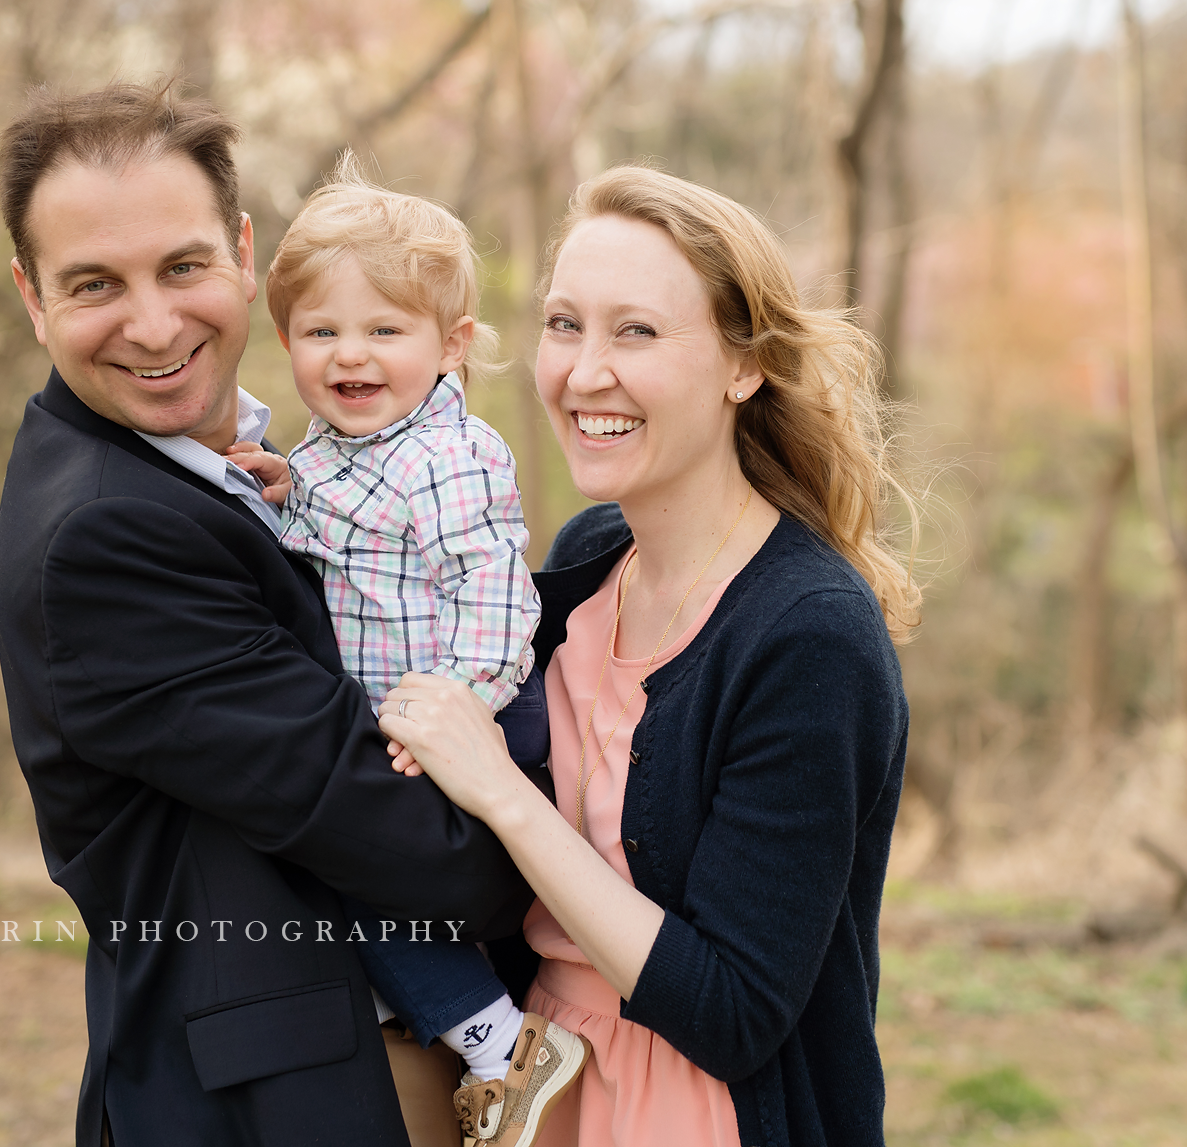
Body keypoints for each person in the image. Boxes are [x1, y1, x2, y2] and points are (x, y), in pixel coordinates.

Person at [0, 80, 533, 1147]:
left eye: (183, 266)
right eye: (95, 283)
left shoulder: (254, 463)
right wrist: (595, 855)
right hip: (272, 1109)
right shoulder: (103, 541)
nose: (154, 323)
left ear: (242, 254)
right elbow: (405, 843)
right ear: (31, 296)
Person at [376, 165, 919, 1147]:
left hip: (700, 1113)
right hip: (532, 1091)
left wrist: (503, 795)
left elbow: (733, 1010)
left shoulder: (807, 636)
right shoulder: (589, 558)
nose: (584, 373)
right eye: (562, 324)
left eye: (636, 332)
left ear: (741, 365)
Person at [228, 167, 588, 1146]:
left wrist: (459, 712)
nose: (350, 355)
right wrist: (286, 488)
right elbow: (350, 527)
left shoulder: (448, 457)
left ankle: (502, 1046)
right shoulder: (345, 445)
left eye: (384, 331)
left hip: (473, 704)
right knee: (368, 883)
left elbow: (495, 592)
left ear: (451, 346)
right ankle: (446, 1012)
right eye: (320, 332)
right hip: (415, 711)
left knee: (362, 877)